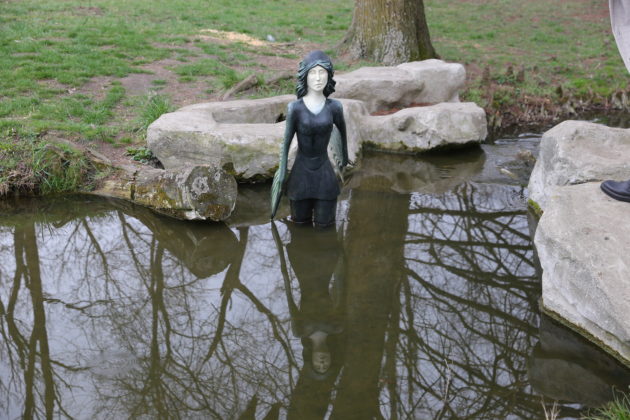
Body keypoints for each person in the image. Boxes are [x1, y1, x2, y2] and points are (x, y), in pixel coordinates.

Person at [270, 50, 349, 228]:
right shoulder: (295, 108)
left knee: (326, 226)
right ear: (305, 75)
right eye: (313, 73)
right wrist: (281, 174)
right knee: (299, 225)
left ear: (329, 75)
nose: (318, 78)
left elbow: (343, 135)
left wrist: (344, 160)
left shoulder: (335, 107)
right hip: (300, 175)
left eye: (322, 72)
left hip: (325, 174)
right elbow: (286, 143)